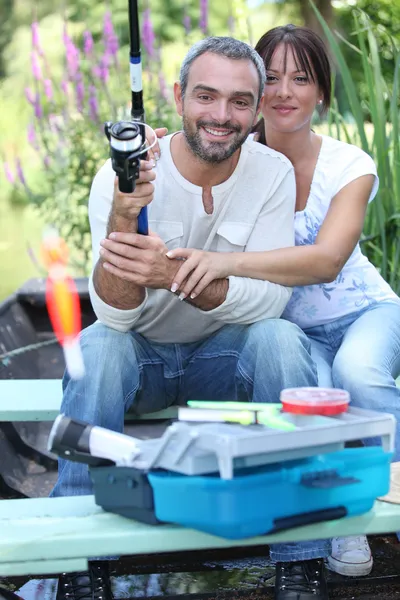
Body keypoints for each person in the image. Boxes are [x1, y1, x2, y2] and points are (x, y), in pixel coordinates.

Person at [52, 36, 323, 600]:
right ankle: (79, 558)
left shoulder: (272, 173)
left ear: (255, 109)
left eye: (240, 101)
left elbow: (269, 301)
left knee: (281, 338)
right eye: (206, 96)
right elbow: (115, 315)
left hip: (223, 364)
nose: (222, 115)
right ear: (178, 98)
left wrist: (171, 274)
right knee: (98, 345)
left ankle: (301, 560)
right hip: (140, 359)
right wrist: (126, 219)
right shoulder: (123, 176)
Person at [166, 23, 400, 593]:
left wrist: (225, 264)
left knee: (356, 373)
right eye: (270, 77)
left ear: (321, 91)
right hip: (293, 333)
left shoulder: (351, 165)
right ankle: (343, 521)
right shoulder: (233, 156)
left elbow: (324, 262)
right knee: (306, 401)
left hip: (364, 313)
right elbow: (184, 161)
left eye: (302, 78)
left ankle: (392, 493)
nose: (284, 91)